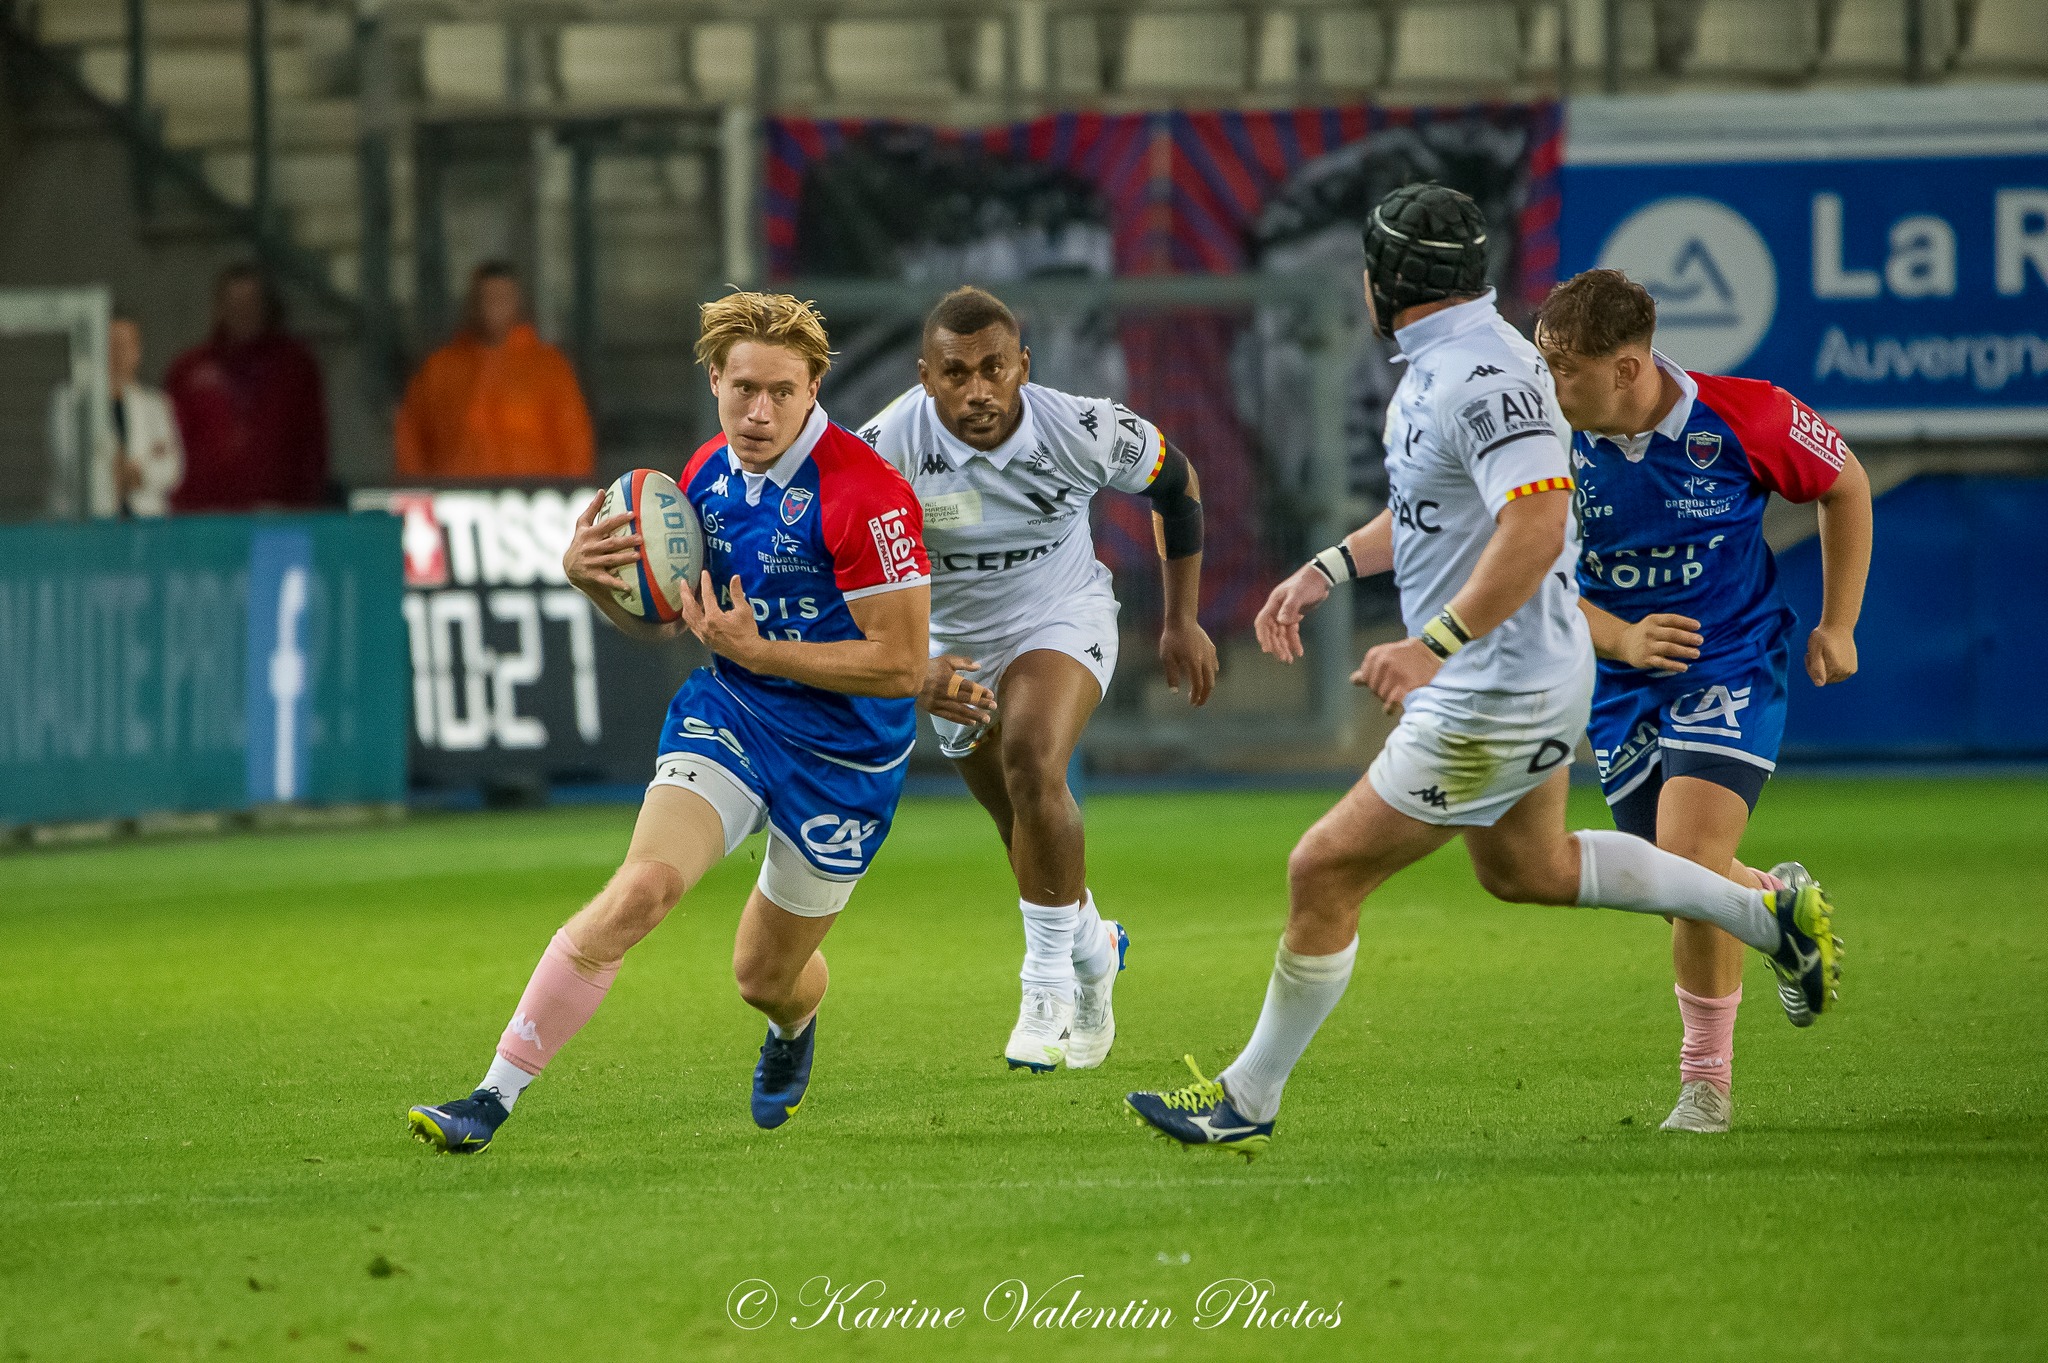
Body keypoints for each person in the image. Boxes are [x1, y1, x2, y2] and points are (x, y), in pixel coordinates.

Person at [1124, 184, 1842, 1160]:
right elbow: (1433, 512)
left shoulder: (1482, 377)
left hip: (1493, 687)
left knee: (1321, 868)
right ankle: (1763, 914)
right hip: (1520, 671)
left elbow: (1537, 521)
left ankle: (1247, 1096)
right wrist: (1324, 569)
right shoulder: (1457, 364)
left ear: (1383, 282)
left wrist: (1434, 643)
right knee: (1527, 870)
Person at [407, 292, 932, 1153]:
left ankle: (794, 1026)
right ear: (715, 378)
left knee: (764, 976)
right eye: (742, 389)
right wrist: (592, 581)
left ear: (815, 387)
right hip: (732, 711)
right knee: (642, 890)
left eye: (782, 393)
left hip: (847, 754)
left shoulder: (867, 497)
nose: (758, 412)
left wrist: (764, 651)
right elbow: (664, 622)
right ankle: (490, 1097)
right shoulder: (704, 478)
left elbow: (902, 664)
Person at [1533, 267, 1872, 1134]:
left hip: (1730, 662)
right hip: (1615, 683)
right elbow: (1524, 575)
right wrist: (1620, 639)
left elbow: (1845, 483)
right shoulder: (1540, 440)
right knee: (1672, 876)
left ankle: (1705, 1087)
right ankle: (1776, 907)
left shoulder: (1745, 414)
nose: (1548, 380)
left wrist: (1839, 623)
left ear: (1627, 366)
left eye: (1565, 366)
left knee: (1684, 867)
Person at [858, 286, 1218, 1073]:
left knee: (1031, 757)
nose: (978, 389)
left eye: (995, 368)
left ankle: (1045, 987)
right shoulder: (881, 450)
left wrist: (1180, 618)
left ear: (1025, 365)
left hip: (1061, 615)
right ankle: (1094, 948)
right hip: (951, 646)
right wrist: (916, 671)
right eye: (956, 373)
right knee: (1021, 827)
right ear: (926, 376)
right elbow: (839, 579)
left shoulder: (1082, 428)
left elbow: (1177, 483)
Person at [394, 262, 596, 480]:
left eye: (502, 299)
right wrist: (416, 491)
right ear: (472, 303)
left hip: (532, 502)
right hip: (456, 501)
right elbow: (411, 441)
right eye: (486, 298)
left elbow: (575, 442)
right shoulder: (438, 369)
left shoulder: (550, 367)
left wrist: (569, 494)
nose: (493, 307)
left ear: (517, 303)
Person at [166, 263, 329, 512]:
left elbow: (313, 441)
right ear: (219, 307)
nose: (243, 312)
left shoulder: (295, 366)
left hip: (281, 515)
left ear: (264, 308)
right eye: (235, 303)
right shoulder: (189, 370)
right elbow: (169, 442)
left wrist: (305, 503)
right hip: (207, 518)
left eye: (251, 303)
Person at [46, 312, 183, 518]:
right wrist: (114, 474)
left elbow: (172, 467)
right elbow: (68, 461)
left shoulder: (156, 405)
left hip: (144, 521)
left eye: (124, 346)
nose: (117, 354)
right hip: (85, 523)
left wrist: (138, 475)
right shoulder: (68, 401)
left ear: (137, 352)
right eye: (110, 345)